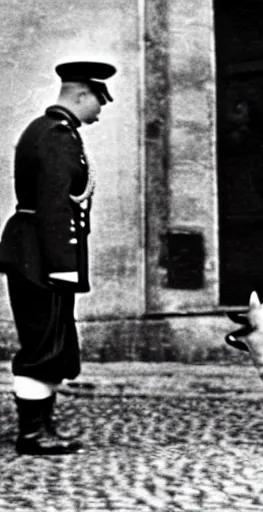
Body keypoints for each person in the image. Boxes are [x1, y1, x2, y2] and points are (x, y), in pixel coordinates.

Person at [0, 61, 116, 455]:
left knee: (50, 341)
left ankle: (42, 425)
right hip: (40, 256)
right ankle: (32, 434)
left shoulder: (50, 131)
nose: (99, 112)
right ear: (81, 94)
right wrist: (64, 265)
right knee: (43, 345)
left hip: (34, 251)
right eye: (98, 102)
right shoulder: (55, 136)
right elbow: (54, 205)